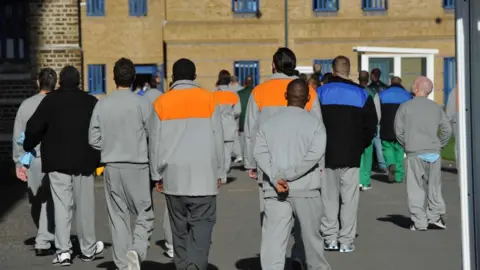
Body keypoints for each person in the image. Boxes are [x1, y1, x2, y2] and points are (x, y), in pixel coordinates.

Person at [244, 47, 322, 269]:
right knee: (305, 222)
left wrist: (251, 163)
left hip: (271, 168)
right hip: (304, 168)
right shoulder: (308, 91)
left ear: (273, 65)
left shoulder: (259, 91)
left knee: (273, 224)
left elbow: (250, 131)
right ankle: (299, 255)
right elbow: (318, 127)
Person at [23, 65, 103, 266]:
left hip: (57, 163)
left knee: (61, 208)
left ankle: (64, 251)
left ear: (60, 82)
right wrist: (100, 158)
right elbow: (101, 131)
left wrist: (28, 145)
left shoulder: (50, 100)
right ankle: (88, 249)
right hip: (84, 162)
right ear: (78, 81)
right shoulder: (90, 102)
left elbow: (34, 127)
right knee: (85, 208)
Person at [149, 58, 224, 270]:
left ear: (172, 78)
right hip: (203, 177)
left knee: (179, 230)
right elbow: (218, 138)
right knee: (202, 227)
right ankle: (196, 266)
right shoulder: (209, 100)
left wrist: (156, 175)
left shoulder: (162, 102)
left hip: (174, 177)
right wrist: (220, 172)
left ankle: (182, 265)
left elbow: (154, 143)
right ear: (194, 76)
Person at [254, 79, 330, 270]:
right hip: (307, 190)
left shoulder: (269, 124)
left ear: (286, 96)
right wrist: (290, 174)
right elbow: (314, 156)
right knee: (312, 241)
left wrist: (276, 176)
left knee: (273, 242)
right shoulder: (316, 125)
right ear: (309, 98)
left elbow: (259, 153)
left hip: (275, 189)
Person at [89, 58, 155, 270]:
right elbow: (152, 135)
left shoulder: (102, 103)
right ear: (134, 78)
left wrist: (108, 145)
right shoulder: (142, 102)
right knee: (145, 214)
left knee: (117, 217)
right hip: (137, 165)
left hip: (112, 165)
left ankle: (122, 264)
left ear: (113, 78)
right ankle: (137, 249)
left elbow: (93, 138)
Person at [318, 56, 377, 253]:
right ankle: (346, 240)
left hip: (326, 154)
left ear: (333, 71)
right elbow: (371, 125)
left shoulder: (320, 93)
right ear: (349, 71)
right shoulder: (361, 94)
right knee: (350, 199)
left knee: (329, 198)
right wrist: (362, 144)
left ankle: (330, 237)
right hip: (352, 154)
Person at [394, 76, 452, 231]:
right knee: (434, 187)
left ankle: (419, 221)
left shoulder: (405, 106)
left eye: (414, 83)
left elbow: (398, 130)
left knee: (415, 188)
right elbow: (447, 129)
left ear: (418, 88)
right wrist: (440, 144)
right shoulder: (436, 107)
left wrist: (406, 144)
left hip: (414, 151)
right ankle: (435, 216)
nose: (412, 85)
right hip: (433, 151)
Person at [12, 68, 57, 256]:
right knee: (54, 200)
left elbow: (18, 136)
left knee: (36, 200)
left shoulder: (26, 105)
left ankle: (43, 235)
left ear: (38, 83)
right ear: (55, 84)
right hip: (55, 158)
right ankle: (46, 237)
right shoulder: (58, 104)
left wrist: (18, 162)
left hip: (32, 158)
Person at [379, 77, 413, 183]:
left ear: (390, 83)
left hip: (386, 126)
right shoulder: (408, 96)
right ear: (400, 83)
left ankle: (390, 164)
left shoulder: (382, 95)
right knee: (400, 149)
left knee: (387, 147)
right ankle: (399, 176)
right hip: (401, 128)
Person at [214, 70, 241, 183]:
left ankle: (219, 174)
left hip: (216, 126)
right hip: (229, 125)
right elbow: (238, 111)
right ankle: (224, 173)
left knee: (217, 152)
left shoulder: (213, 94)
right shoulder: (233, 94)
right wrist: (230, 115)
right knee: (227, 151)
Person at [358, 70, 382, 190]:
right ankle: (365, 181)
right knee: (368, 156)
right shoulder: (373, 93)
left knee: (357, 156)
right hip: (369, 127)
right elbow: (377, 113)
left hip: (356, 127)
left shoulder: (355, 91)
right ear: (368, 79)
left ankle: (357, 180)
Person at [233, 75, 254, 164]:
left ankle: (246, 162)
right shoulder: (256, 92)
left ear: (244, 83)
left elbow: (237, 109)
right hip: (254, 121)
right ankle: (252, 162)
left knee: (243, 143)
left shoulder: (239, 93)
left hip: (242, 121)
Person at [445, 86, 458, 164]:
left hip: (457, 120)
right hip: (457, 119)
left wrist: (448, 119)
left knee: (458, 145)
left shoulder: (455, 90)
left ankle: (460, 167)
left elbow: (450, 109)